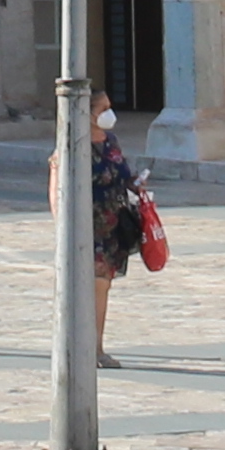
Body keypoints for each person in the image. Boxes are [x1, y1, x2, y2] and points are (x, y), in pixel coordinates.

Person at [78, 90, 163, 365]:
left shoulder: (110, 141)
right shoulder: (73, 145)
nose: (108, 114)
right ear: (86, 112)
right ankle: (92, 349)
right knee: (96, 286)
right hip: (87, 226)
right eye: (102, 108)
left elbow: (123, 175)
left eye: (109, 107)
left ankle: (94, 346)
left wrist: (135, 183)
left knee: (102, 286)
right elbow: (59, 189)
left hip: (113, 225)